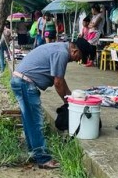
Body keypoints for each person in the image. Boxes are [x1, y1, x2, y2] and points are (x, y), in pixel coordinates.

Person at [10, 37, 92, 169]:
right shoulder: (62, 54)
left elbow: (60, 79)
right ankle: (43, 159)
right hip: (25, 83)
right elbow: (58, 83)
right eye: (79, 57)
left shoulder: (59, 48)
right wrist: (67, 103)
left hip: (21, 81)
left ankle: (34, 152)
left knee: (29, 121)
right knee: (36, 122)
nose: (77, 61)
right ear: (75, 51)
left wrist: (70, 98)